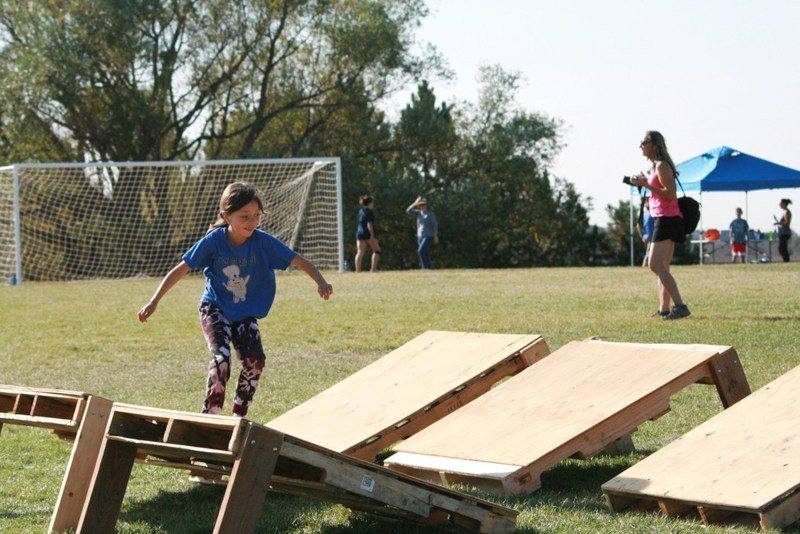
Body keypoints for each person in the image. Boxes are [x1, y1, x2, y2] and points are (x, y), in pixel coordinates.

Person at [138, 182, 333, 417]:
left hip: (243, 313)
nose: (251, 222)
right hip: (215, 308)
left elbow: (298, 260)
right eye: (244, 216)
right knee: (222, 360)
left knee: (255, 361)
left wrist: (320, 281)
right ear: (226, 216)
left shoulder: (263, 242)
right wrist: (154, 300)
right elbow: (181, 269)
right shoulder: (213, 242)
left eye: (256, 216)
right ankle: (210, 416)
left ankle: (239, 415)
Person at [628, 131, 690, 320]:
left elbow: (670, 194)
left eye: (644, 142)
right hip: (662, 217)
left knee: (653, 264)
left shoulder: (662, 166)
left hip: (667, 218)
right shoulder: (655, 166)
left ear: (654, 144)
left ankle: (680, 306)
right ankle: (664, 308)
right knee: (663, 266)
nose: (641, 146)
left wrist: (646, 185)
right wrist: (643, 182)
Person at [406, 196, 439, 269]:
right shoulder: (418, 213)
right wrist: (415, 203)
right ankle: (427, 267)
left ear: (427, 205)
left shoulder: (430, 214)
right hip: (420, 235)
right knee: (425, 252)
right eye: (421, 205)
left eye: (424, 205)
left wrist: (435, 235)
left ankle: (425, 267)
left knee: (420, 250)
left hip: (428, 235)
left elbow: (434, 225)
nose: (422, 206)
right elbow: (408, 210)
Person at [354, 195, 380, 272]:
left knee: (360, 252)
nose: (373, 204)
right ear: (369, 203)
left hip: (359, 233)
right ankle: (373, 269)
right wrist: (372, 235)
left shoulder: (361, 211)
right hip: (367, 233)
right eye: (372, 203)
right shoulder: (369, 212)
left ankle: (357, 270)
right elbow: (369, 224)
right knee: (377, 250)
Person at [637, 194, 654, 267]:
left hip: (646, 236)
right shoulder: (652, 213)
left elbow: (638, 226)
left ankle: (646, 264)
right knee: (649, 252)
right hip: (651, 235)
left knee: (649, 251)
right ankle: (645, 265)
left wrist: (641, 236)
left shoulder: (644, 214)